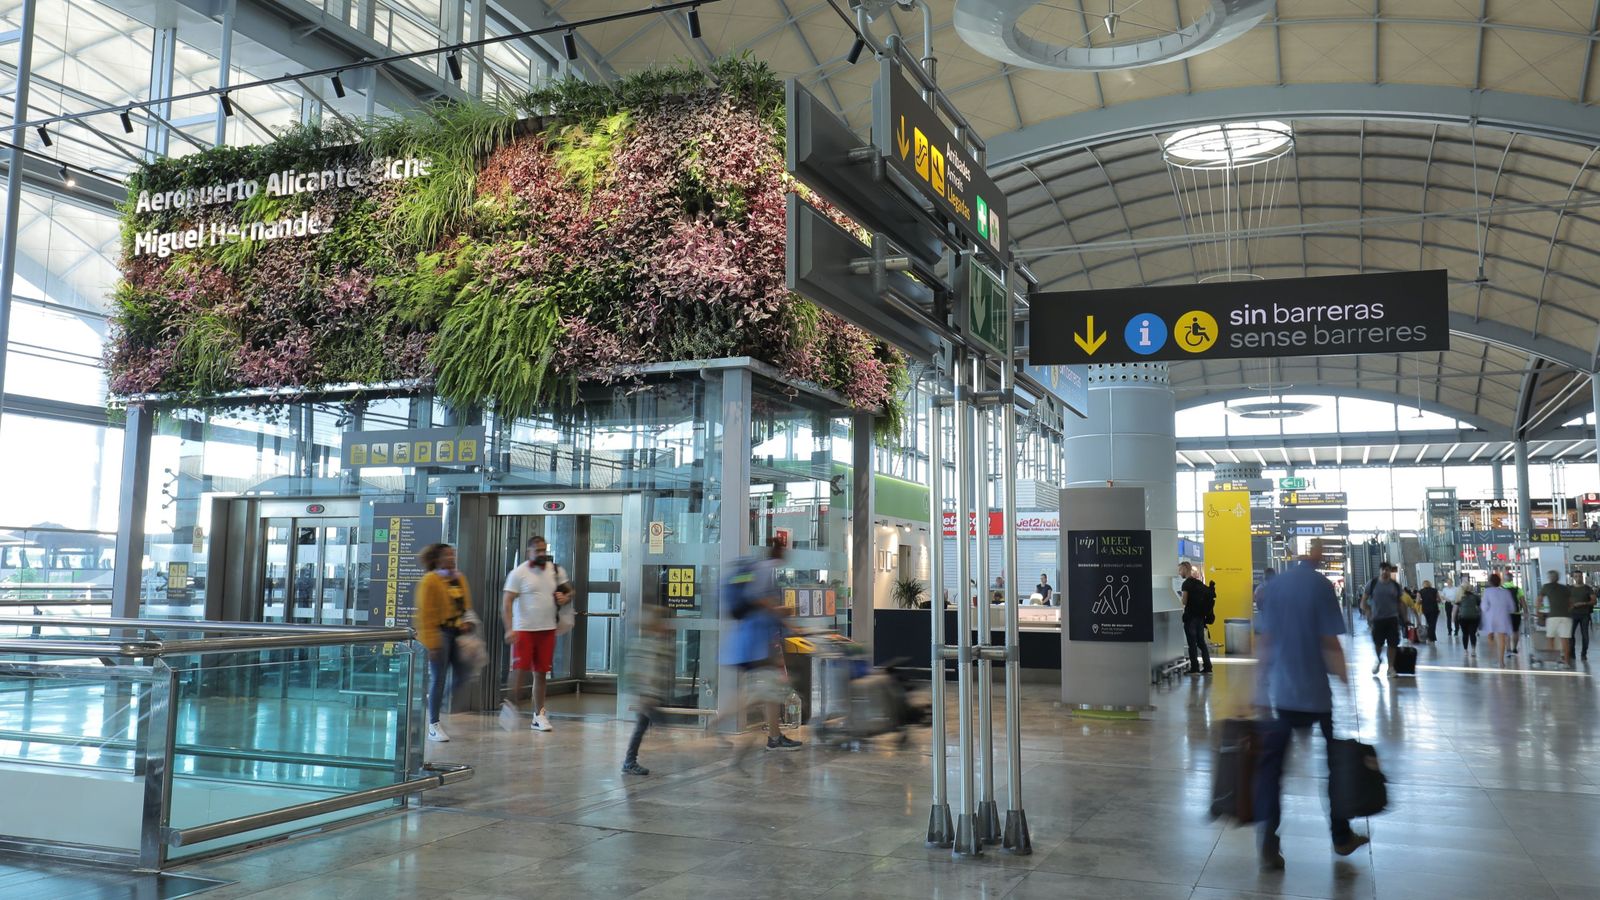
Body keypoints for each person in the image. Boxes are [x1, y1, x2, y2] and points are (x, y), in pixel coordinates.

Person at [1252, 551, 1369, 872]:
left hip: (1282, 693)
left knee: (1272, 772)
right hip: (1317, 694)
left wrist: (1257, 689)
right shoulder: (1321, 585)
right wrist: (1346, 683)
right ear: (1316, 559)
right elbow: (1330, 642)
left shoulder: (1273, 588)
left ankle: (1268, 840)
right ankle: (1341, 835)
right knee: (1335, 765)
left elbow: (1266, 641)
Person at [714, 536, 802, 753]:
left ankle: (774, 736)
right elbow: (758, 599)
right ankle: (718, 724)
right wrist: (783, 614)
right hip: (753, 642)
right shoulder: (766, 569)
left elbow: (761, 601)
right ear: (780, 552)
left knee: (764, 691)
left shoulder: (762, 568)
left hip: (752, 640)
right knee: (760, 692)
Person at [500, 535, 569, 732]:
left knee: (541, 673)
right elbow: (506, 602)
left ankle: (539, 714)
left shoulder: (555, 570)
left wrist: (565, 596)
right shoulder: (519, 573)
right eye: (537, 550)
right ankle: (510, 705)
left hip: (547, 629)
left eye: (543, 549)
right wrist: (509, 628)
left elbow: (569, 591)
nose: (541, 553)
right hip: (524, 629)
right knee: (519, 670)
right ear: (528, 551)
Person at [415, 543, 474, 743]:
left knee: (463, 673)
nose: (451, 558)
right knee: (438, 678)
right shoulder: (430, 580)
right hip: (439, 633)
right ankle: (433, 723)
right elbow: (425, 614)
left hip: (456, 632)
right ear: (437, 559)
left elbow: (465, 606)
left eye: (453, 555)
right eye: (447, 555)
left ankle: (433, 701)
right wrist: (431, 643)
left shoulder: (458, 578)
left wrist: (465, 623)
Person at [622, 598, 672, 776]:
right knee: (643, 726)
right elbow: (638, 672)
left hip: (650, 694)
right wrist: (643, 694)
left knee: (644, 726)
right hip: (646, 695)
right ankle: (629, 761)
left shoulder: (656, 644)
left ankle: (630, 760)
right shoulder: (644, 645)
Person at [1361, 563, 1404, 676]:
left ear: (1390, 571)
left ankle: (1390, 667)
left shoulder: (1395, 585)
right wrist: (1368, 613)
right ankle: (1378, 659)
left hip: (1392, 619)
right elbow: (1363, 601)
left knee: (1392, 644)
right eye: (1383, 570)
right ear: (1380, 571)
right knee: (1378, 644)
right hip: (1377, 619)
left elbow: (1400, 603)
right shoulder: (1372, 584)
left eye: (1387, 570)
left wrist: (1405, 618)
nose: (1385, 572)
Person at [1178, 561, 1213, 676]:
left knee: (1192, 643)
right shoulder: (1198, 583)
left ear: (1185, 569)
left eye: (1180, 570)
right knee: (1201, 642)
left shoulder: (1186, 584)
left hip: (1190, 618)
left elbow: (1184, 601)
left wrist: (1179, 599)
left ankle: (1194, 668)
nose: (1179, 573)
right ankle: (1208, 667)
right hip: (1200, 617)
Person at [1538, 569, 1574, 668]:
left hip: (1552, 617)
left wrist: (1539, 612)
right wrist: (1567, 610)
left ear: (1550, 578)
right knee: (1565, 640)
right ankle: (1566, 663)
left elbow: (1539, 600)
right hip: (1566, 617)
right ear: (1558, 578)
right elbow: (1571, 603)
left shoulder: (1546, 587)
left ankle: (1552, 661)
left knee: (1550, 639)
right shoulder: (1565, 588)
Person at [1480, 573, 1516, 667]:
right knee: (1501, 640)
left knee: (1490, 637)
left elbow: (1484, 607)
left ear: (1489, 582)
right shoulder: (1505, 592)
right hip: (1502, 618)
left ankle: (1493, 657)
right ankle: (1501, 661)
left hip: (1490, 618)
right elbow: (1512, 608)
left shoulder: (1487, 592)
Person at [1572, 572, 1594, 662]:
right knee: (1570, 635)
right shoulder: (1569, 588)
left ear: (1582, 577)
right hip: (1572, 615)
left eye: (1580, 576)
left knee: (1585, 635)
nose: (1578, 578)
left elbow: (1594, 601)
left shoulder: (1587, 588)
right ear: (1573, 578)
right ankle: (1571, 654)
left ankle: (1583, 653)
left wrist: (1583, 603)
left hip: (1585, 615)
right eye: (1576, 576)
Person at [1456, 581, 1482, 657]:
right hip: (1474, 617)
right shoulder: (1476, 596)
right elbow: (1480, 607)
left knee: (1465, 634)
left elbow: (1455, 609)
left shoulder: (1460, 597)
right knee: (1472, 634)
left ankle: (1465, 650)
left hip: (1462, 617)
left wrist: (1453, 619)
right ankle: (1473, 650)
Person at [1506, 577, 1525, 657]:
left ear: (1505, 580)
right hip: (1516, 613)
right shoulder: (1518, 589)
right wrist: (1526, 611)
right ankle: (1514, 648)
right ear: (1512, 580)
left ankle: (1508, 649)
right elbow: (1522, 601)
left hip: (1505, 613)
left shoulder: (1501, 589)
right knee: (1515, 631)